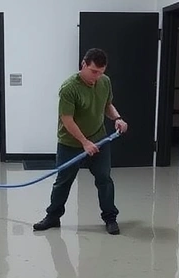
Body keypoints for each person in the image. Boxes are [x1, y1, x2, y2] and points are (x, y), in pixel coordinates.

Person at [33, 48, 128, 235]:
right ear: (83, 64)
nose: (97, 76)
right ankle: (53, 217)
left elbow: (107, 105)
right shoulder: (69, 88)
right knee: (63, 182)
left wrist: (117, 118)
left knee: (104, 179)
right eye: (93, 71)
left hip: (99, 140)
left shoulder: (104, 82)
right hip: (70, 144)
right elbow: (67, 119)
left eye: (101, 72)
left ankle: (110, 218)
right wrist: (84, 142)